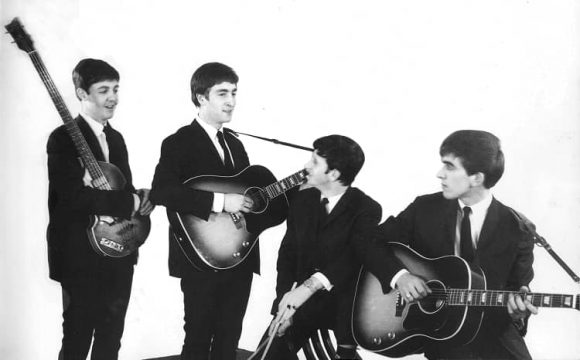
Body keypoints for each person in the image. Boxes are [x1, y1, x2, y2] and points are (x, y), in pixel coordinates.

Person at [357, 130, 537, 359]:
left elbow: (517, 289)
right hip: (438, 329)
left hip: (492, 331)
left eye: (450, 167)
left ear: (477, 178)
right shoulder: (424, 209)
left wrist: (518, 313)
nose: (439, 174)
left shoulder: (518, 229)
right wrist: (400, 276)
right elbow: (368, 241)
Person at [47, 58, 154, 360]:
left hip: (119, 249)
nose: (113, 98)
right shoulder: (62, 139)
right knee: (78, 337)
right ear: (82, 94)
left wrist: (142, 198)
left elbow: (124, 190)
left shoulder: (116, 139)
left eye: (116, 89)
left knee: (111, 338)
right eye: (103, 90)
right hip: (79, 255)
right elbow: (72, 198)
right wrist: (127, 202)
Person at [150, 62, 258, 360]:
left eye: (234, 93)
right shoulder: (178, 142)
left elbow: (246, 193)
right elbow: (162, 191)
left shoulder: (235, 144)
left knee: (228, 339)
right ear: (201, 98)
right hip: (199, 258)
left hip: (239, 256)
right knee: (198, 339)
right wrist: (221, 202)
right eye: (222, 93)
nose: (231, 101)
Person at [260, 135, 382, 359]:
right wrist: (282, 306)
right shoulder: (302, 201)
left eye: (315, 162)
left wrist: (308, 288)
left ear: (334, 174)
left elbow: (353, 259)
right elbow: (287, 257)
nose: (306, 166)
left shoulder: (367, 209)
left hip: (345, 310)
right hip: (301, 307)